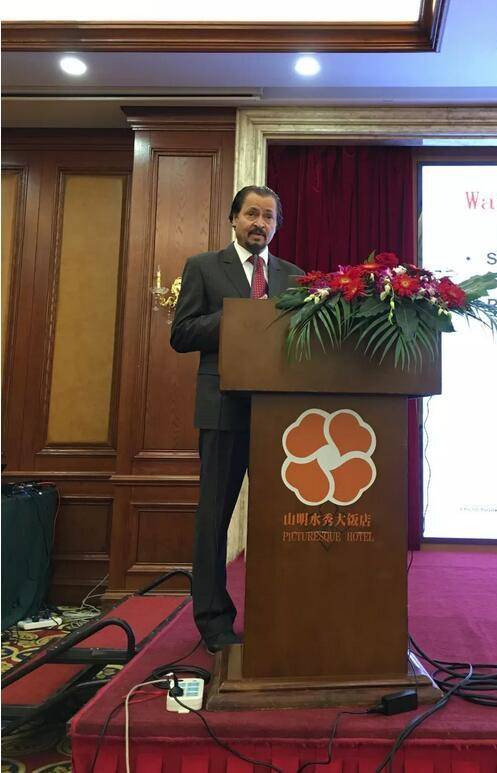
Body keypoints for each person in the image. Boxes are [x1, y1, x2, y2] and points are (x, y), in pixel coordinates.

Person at [170, 185, 303, 653]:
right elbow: (182, 334)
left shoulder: (293, 276)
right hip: (223, 409)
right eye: (252, 214)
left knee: (278, 521)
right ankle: (213, 621)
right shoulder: (204, 267)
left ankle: (273, 613)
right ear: (233, 219)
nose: (259, 224)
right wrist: (239, 316)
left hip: (280, 416)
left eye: (269, 217)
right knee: (214, 520)